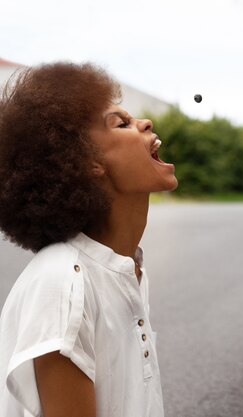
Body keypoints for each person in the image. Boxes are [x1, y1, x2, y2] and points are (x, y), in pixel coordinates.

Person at [0, 62, 177, 416]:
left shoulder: (124, 268)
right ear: (88, 160)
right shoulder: (64, 282)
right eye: (122, 123)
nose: (146, 123)